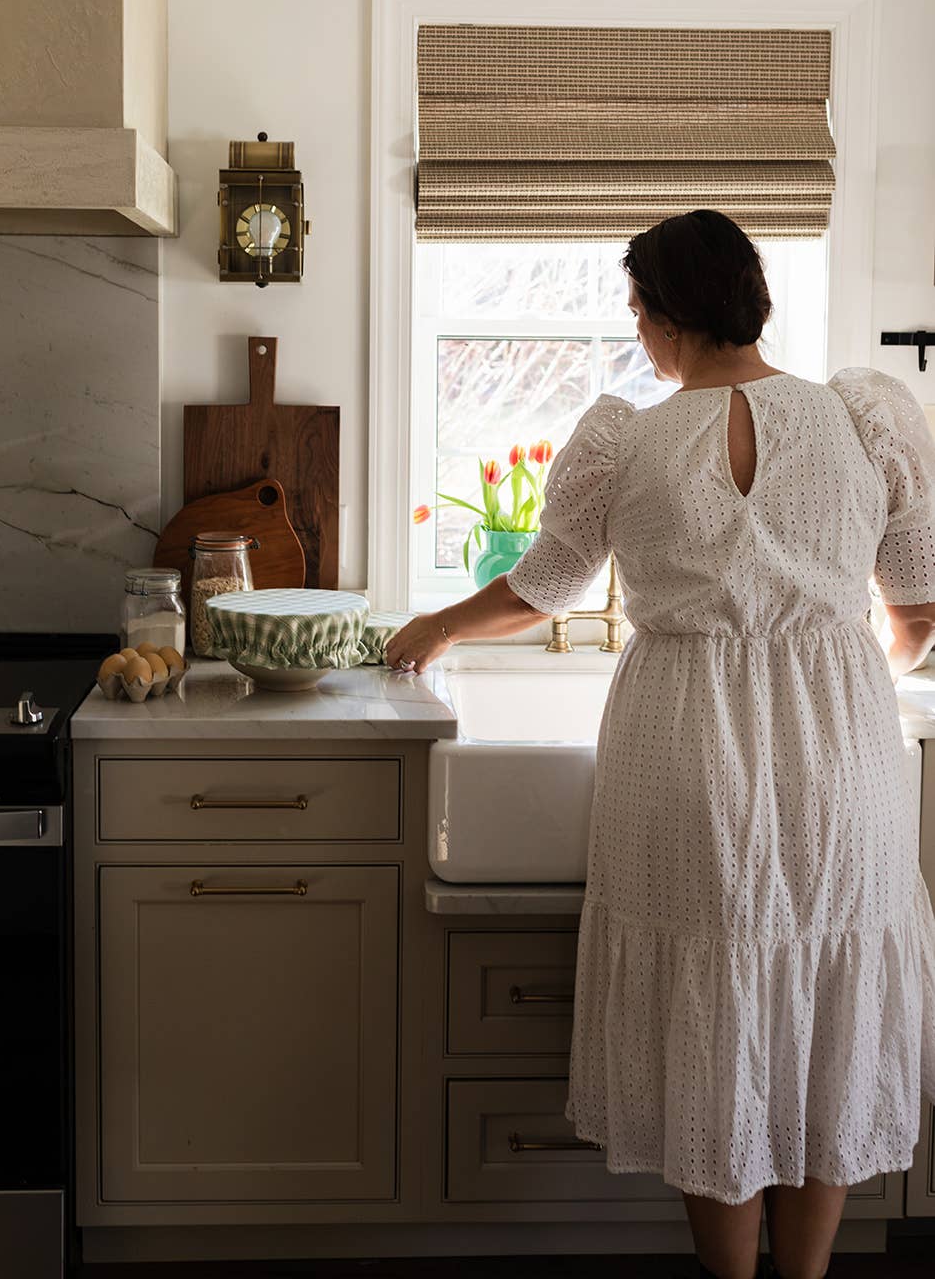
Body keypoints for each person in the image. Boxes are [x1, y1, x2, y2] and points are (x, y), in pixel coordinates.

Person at [384, 208, 935, 1279]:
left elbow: (542, 589)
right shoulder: (863, 421)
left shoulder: (626, 440)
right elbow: (914, 615)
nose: (636, 333)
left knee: (713, 1020)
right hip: (842, 753)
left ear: (664, 315)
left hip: (683, 752)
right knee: (821, 1010)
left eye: (636, 312)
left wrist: (436, 623)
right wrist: (846, 660)